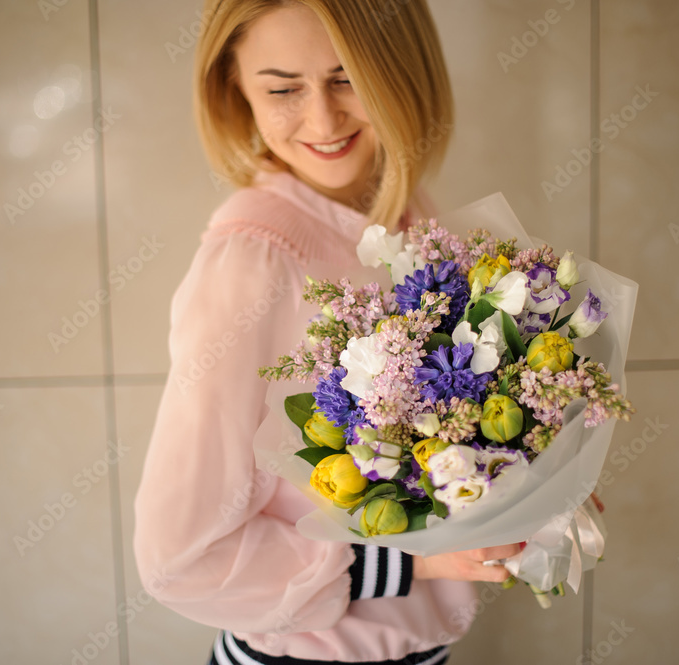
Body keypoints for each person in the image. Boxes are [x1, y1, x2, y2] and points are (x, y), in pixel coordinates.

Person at [133, 2, 524, 663]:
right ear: (235, 88)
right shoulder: (252, 262)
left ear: (403, 71)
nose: (322, 119)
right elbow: (179, 556)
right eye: (283, 88)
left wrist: (530, 482)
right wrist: (413, 566)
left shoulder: (408, 216)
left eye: (348, 78)